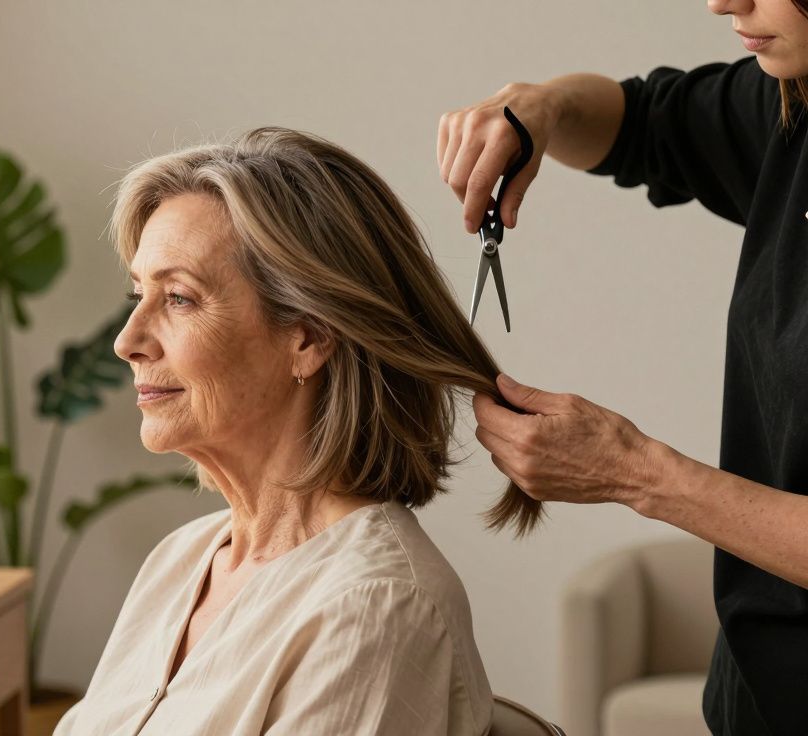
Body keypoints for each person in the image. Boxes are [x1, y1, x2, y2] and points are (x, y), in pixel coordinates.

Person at [54, 127, 528, 736]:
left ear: (307, 337)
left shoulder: (375, 606)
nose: (127, 341)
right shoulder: (180, 561)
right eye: (137, 293)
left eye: (178, 298)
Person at [438, 1, 808, 733]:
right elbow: (635, 120)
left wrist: (636, 472)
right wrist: (538, 107)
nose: (724, 1)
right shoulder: (790, 103)